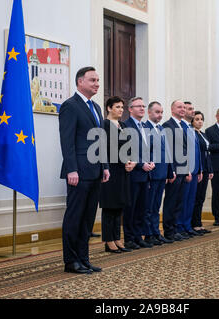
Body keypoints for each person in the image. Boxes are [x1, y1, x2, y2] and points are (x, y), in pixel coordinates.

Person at [59, 67, 110, 274]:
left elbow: (100, 141)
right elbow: (67, 141)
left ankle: (83, 258)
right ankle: (71, 261)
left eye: (98, 80)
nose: (97, 83)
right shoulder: (70, 106)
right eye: (92, 80)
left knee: (88, 218)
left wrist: (105, 166)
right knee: (75, 216)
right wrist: (72, 169)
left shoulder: (96, 108)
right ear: (80, 82)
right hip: (78, 172)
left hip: (96, 171)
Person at [100, 96, 135, 253]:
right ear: (109, 108)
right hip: (111, 170)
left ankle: (117, 238)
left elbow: (128, 146)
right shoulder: (104, 125)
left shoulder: (122, 125)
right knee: (109, 206)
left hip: (123, 170)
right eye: (117, 107)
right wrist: (123, 162)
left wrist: (132, 161)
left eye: (122, 107)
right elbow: (107, 148)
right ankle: (108, 241)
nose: (121, 110)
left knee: (119, 205)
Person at [123, 97, 155, 250]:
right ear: (130, 109)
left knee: (142, 207)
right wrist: (142, 164)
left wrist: (151, 162)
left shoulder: (144, 126)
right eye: (138, 106)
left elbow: (148, 149)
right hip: (133, 173)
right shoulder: (126, 125)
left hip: (146, 174)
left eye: (143, 106)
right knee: (131, 208)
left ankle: (138, 236)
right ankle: (129, 238)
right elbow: (127, 150)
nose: (142, 109)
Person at [144, 102, 174, 245]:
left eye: (161, 112)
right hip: (151, 173)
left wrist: (170, 171)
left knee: (156, 206)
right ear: (149, 113)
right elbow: (144, 151)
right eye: (157, 112)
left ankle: (156, 232)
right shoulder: (145, 128)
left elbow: (167, 152)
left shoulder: (161, 129)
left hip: (162, 173)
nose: (160, 115)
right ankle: (148, 234)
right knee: (148, 206)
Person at [161, 100, 189, 242]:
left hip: (183, 169)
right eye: (179, 107)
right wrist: (170, 171)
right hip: (174, 170)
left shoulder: (183, 125)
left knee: (179, 201)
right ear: (172, 110)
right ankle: (169, 231)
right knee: (171, 201)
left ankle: (176, 228)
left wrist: (188, 170)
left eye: (184, 107)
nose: (182, 109)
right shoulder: (167, 126)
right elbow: (168, 151)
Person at [176, 102, 202, 238]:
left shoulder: (191, 128)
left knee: (191, 200)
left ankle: (187, 225)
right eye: (190, 109)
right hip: (186, 170)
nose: (193, 111)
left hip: (195, 169)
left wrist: (200, 169)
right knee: (183, 200)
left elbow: (197, 151)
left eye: (193, 108)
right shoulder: (182, 128)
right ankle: (180, 226)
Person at [191, 111, 213, 234]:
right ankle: (194, 224)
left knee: (201, 198)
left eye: (201, 119)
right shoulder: (192, 134)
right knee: (195, 197)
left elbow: (207, 153)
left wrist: (210, 169)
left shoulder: (203, 134)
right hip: (197, 169)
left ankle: (199, 223)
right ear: (192, 121)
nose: (200, 121)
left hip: (205, 169)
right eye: (197, 119)